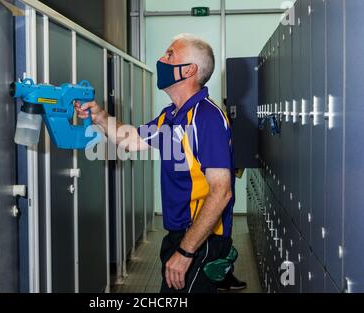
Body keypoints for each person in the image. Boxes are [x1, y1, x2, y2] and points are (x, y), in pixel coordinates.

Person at [75, 33, 244, 293]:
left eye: (169, 55)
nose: (160, 60)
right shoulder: (171, 116)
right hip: (180, 235)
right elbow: (130, 139)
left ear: (188, 70)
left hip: (202, 239)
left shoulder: (207, 118)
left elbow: (221, 191)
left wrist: (186, 252)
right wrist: (98, 116)